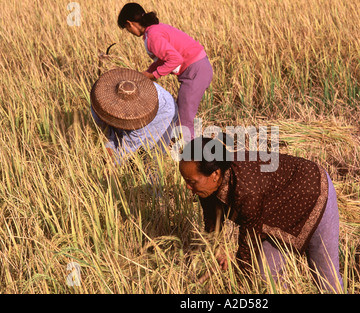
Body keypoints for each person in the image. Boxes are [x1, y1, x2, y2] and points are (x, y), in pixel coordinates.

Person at [178, 136, 344, 293]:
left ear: (215, 174)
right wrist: (216, 251)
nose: (188, 187)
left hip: (310, 193)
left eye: (192, 181)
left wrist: (236, 270)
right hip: (273, 207)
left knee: (327, 278)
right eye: (186, 180)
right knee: (266, 276)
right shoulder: (206, 187)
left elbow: (248, 245)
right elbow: (212, 220)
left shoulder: (247, 189)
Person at [117, 2, 213, 140]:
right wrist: (148, 72)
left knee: (184, 120)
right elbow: (163, 58)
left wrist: (154, 75)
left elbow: (175, 59)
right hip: (198, 68)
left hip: (196, 71)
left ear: (130, 23)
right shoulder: (154, 29)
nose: (130, 32)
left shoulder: (153, 37)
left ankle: (193, 157)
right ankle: (184, 152)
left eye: (127, 29)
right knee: (180, 115)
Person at [90, 68, 178, 167]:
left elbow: (130, 144)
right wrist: (109, 148)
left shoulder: (142, 114)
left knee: (152, 159)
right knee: (121, 147)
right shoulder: (100, 99)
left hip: (162, 113)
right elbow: (106, 128)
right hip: (143, 110)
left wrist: (113, 165)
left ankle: (150, 180)